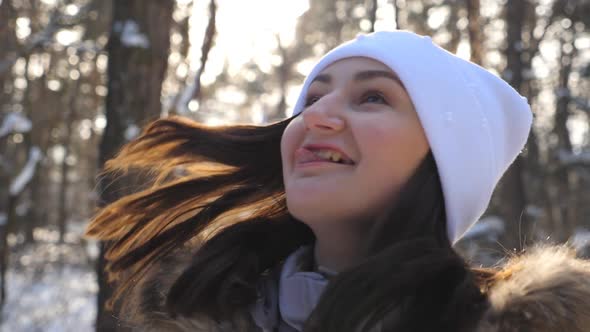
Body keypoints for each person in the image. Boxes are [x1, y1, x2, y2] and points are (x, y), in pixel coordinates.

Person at [86, 30, 590, 332]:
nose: (316, 116)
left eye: (373, 98)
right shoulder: (192, 307)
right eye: (311, 100)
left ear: (445, 160)